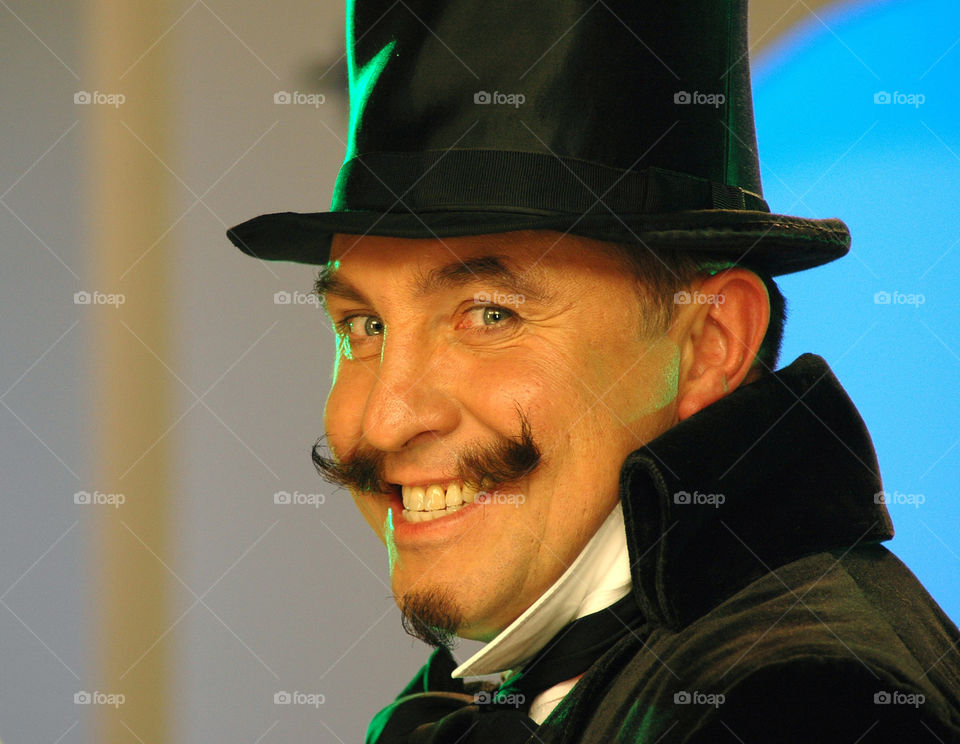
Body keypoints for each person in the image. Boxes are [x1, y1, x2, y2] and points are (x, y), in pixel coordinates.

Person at [227, 0, 960, 741]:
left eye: (490, 315)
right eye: (365, 326)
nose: (385, 420)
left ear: (711, 342)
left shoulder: (801, 705)